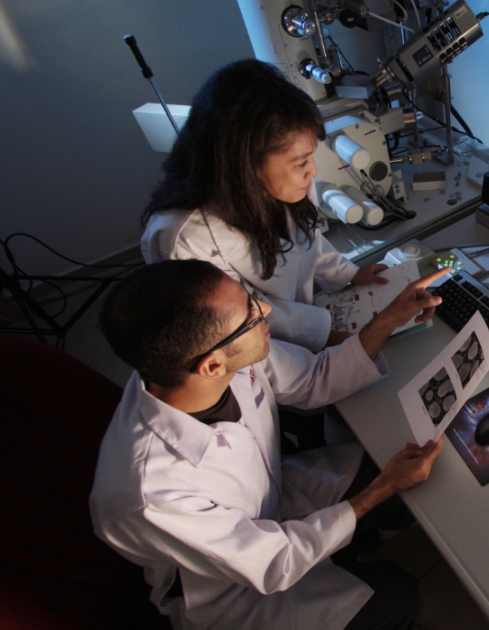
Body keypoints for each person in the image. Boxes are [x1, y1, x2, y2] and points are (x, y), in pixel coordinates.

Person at [90, 259, 449, 630]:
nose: (264, 311)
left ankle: (368, 533)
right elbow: (274, 561)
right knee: (398, 597)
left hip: (270, 498)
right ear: (212, 367)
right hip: (234, 593)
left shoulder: (207, 359)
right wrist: (381, 489)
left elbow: (314, 378)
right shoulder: (152, 494)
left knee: (384, 458)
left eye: (251, 299)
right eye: (250, 315)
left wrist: (389, 317)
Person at [141, 58, 387, 353]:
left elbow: (308, 241)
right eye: (300, 162)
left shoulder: (289, 185)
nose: (313, 172)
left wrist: (347, 273)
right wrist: (323, 335)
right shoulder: (184, 239)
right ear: (246, 164)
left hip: (304, 323)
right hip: (255, 351)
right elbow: (244, 314)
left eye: (310, 157)